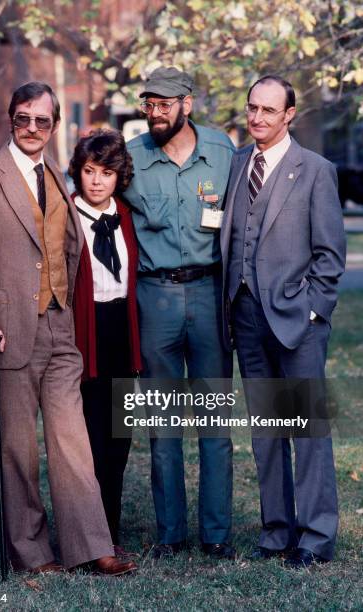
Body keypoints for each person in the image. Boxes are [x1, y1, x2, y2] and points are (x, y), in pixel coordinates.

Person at [0, 82, 137, 576]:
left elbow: (70, 251)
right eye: (23, 118)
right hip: (8, 333)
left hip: (60, 329)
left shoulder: (56, 173)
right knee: (20, 449)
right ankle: (31, 553)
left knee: (73, 443)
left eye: (42, 120)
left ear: (54, 126)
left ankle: (91, 545)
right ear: (10, 119)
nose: (33, 128)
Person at [220, 75, 346, 568]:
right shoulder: (236, 166)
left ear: (289, 115)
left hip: (298, 322)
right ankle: (277, 531)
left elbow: (330, 256)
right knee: (267, 431)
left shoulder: (315, 170)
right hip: (246, 317)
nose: (257, 118)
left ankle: (315, 537)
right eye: (252, 108)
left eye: (268, 111)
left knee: (307, 431)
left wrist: (313, 310)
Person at [124, 67, 235, 559]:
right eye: (149, 102)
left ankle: (215, 535)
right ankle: (170, 534)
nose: (155, 112)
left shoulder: (224, 151)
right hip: (156, 298)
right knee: (162, 423)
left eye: (165, 103)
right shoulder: (131, 156)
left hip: (210, 296)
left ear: (187, 104)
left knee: (215, 424)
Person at [68, 129, 141, 555]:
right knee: (87, 443)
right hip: (82, 335)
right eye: (89, 171)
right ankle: (87, 538)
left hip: (121, 335)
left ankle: (109, 532)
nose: (97, 181)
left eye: (107, 173)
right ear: (78, 172)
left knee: (118, 439)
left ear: (119, 177)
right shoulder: (64, 216)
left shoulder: (126, 217)